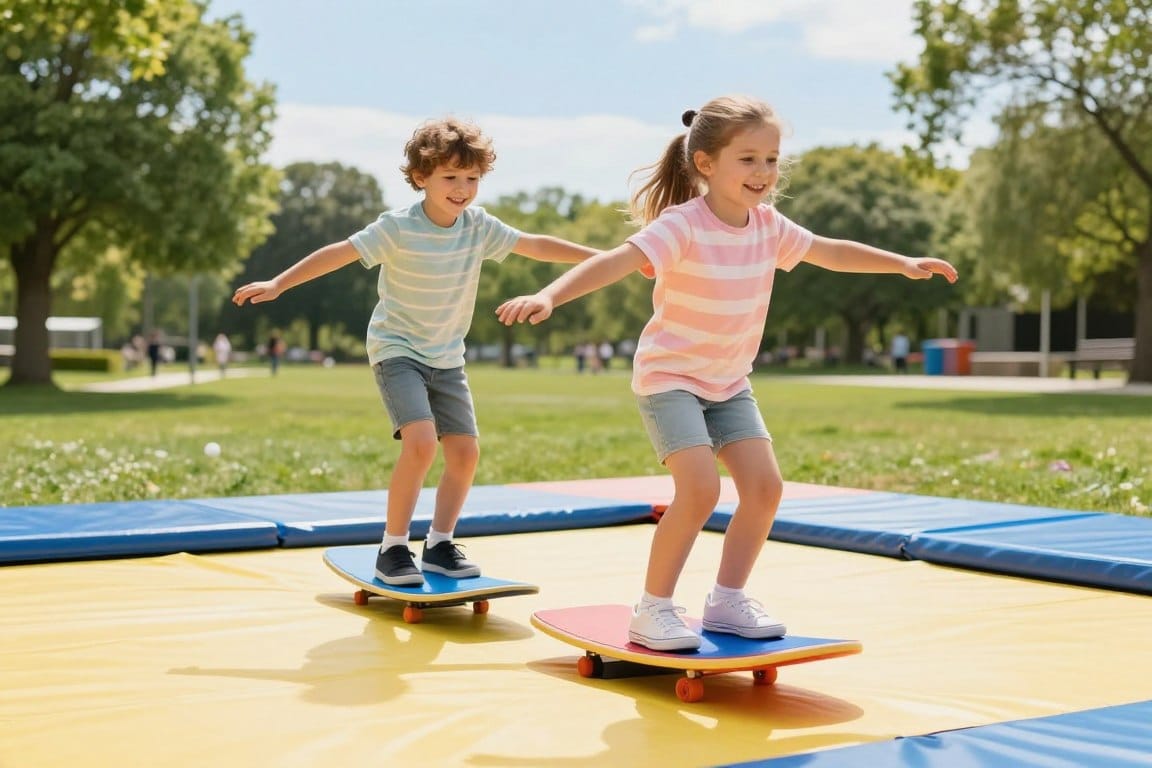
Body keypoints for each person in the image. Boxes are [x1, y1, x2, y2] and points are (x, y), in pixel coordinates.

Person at [497, 95, 958, 651]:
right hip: (671, 378)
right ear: (707, 164)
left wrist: (901, 263)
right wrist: (550, 294)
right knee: (700, 488)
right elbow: (617, 260)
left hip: (729, 381)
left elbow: (830, 252)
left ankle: (727, 600)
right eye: (748, 159)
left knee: (764, 489)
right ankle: (653, 609)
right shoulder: (682, 225)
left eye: (771, 159)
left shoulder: (769, 226)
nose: (763, 172)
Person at [233, 117, 598, 587]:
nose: (462, 188)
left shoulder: (478, 227)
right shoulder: (398, 228)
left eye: (471, 179)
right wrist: (279, 283)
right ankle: (392, 547)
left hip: (447, 357)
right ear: (421, 177)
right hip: (397, 349)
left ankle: (440, 544)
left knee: (465, 453)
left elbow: (535, 245)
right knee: (422, 444)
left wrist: (602, 258)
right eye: (450, 177)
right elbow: (339, 252)